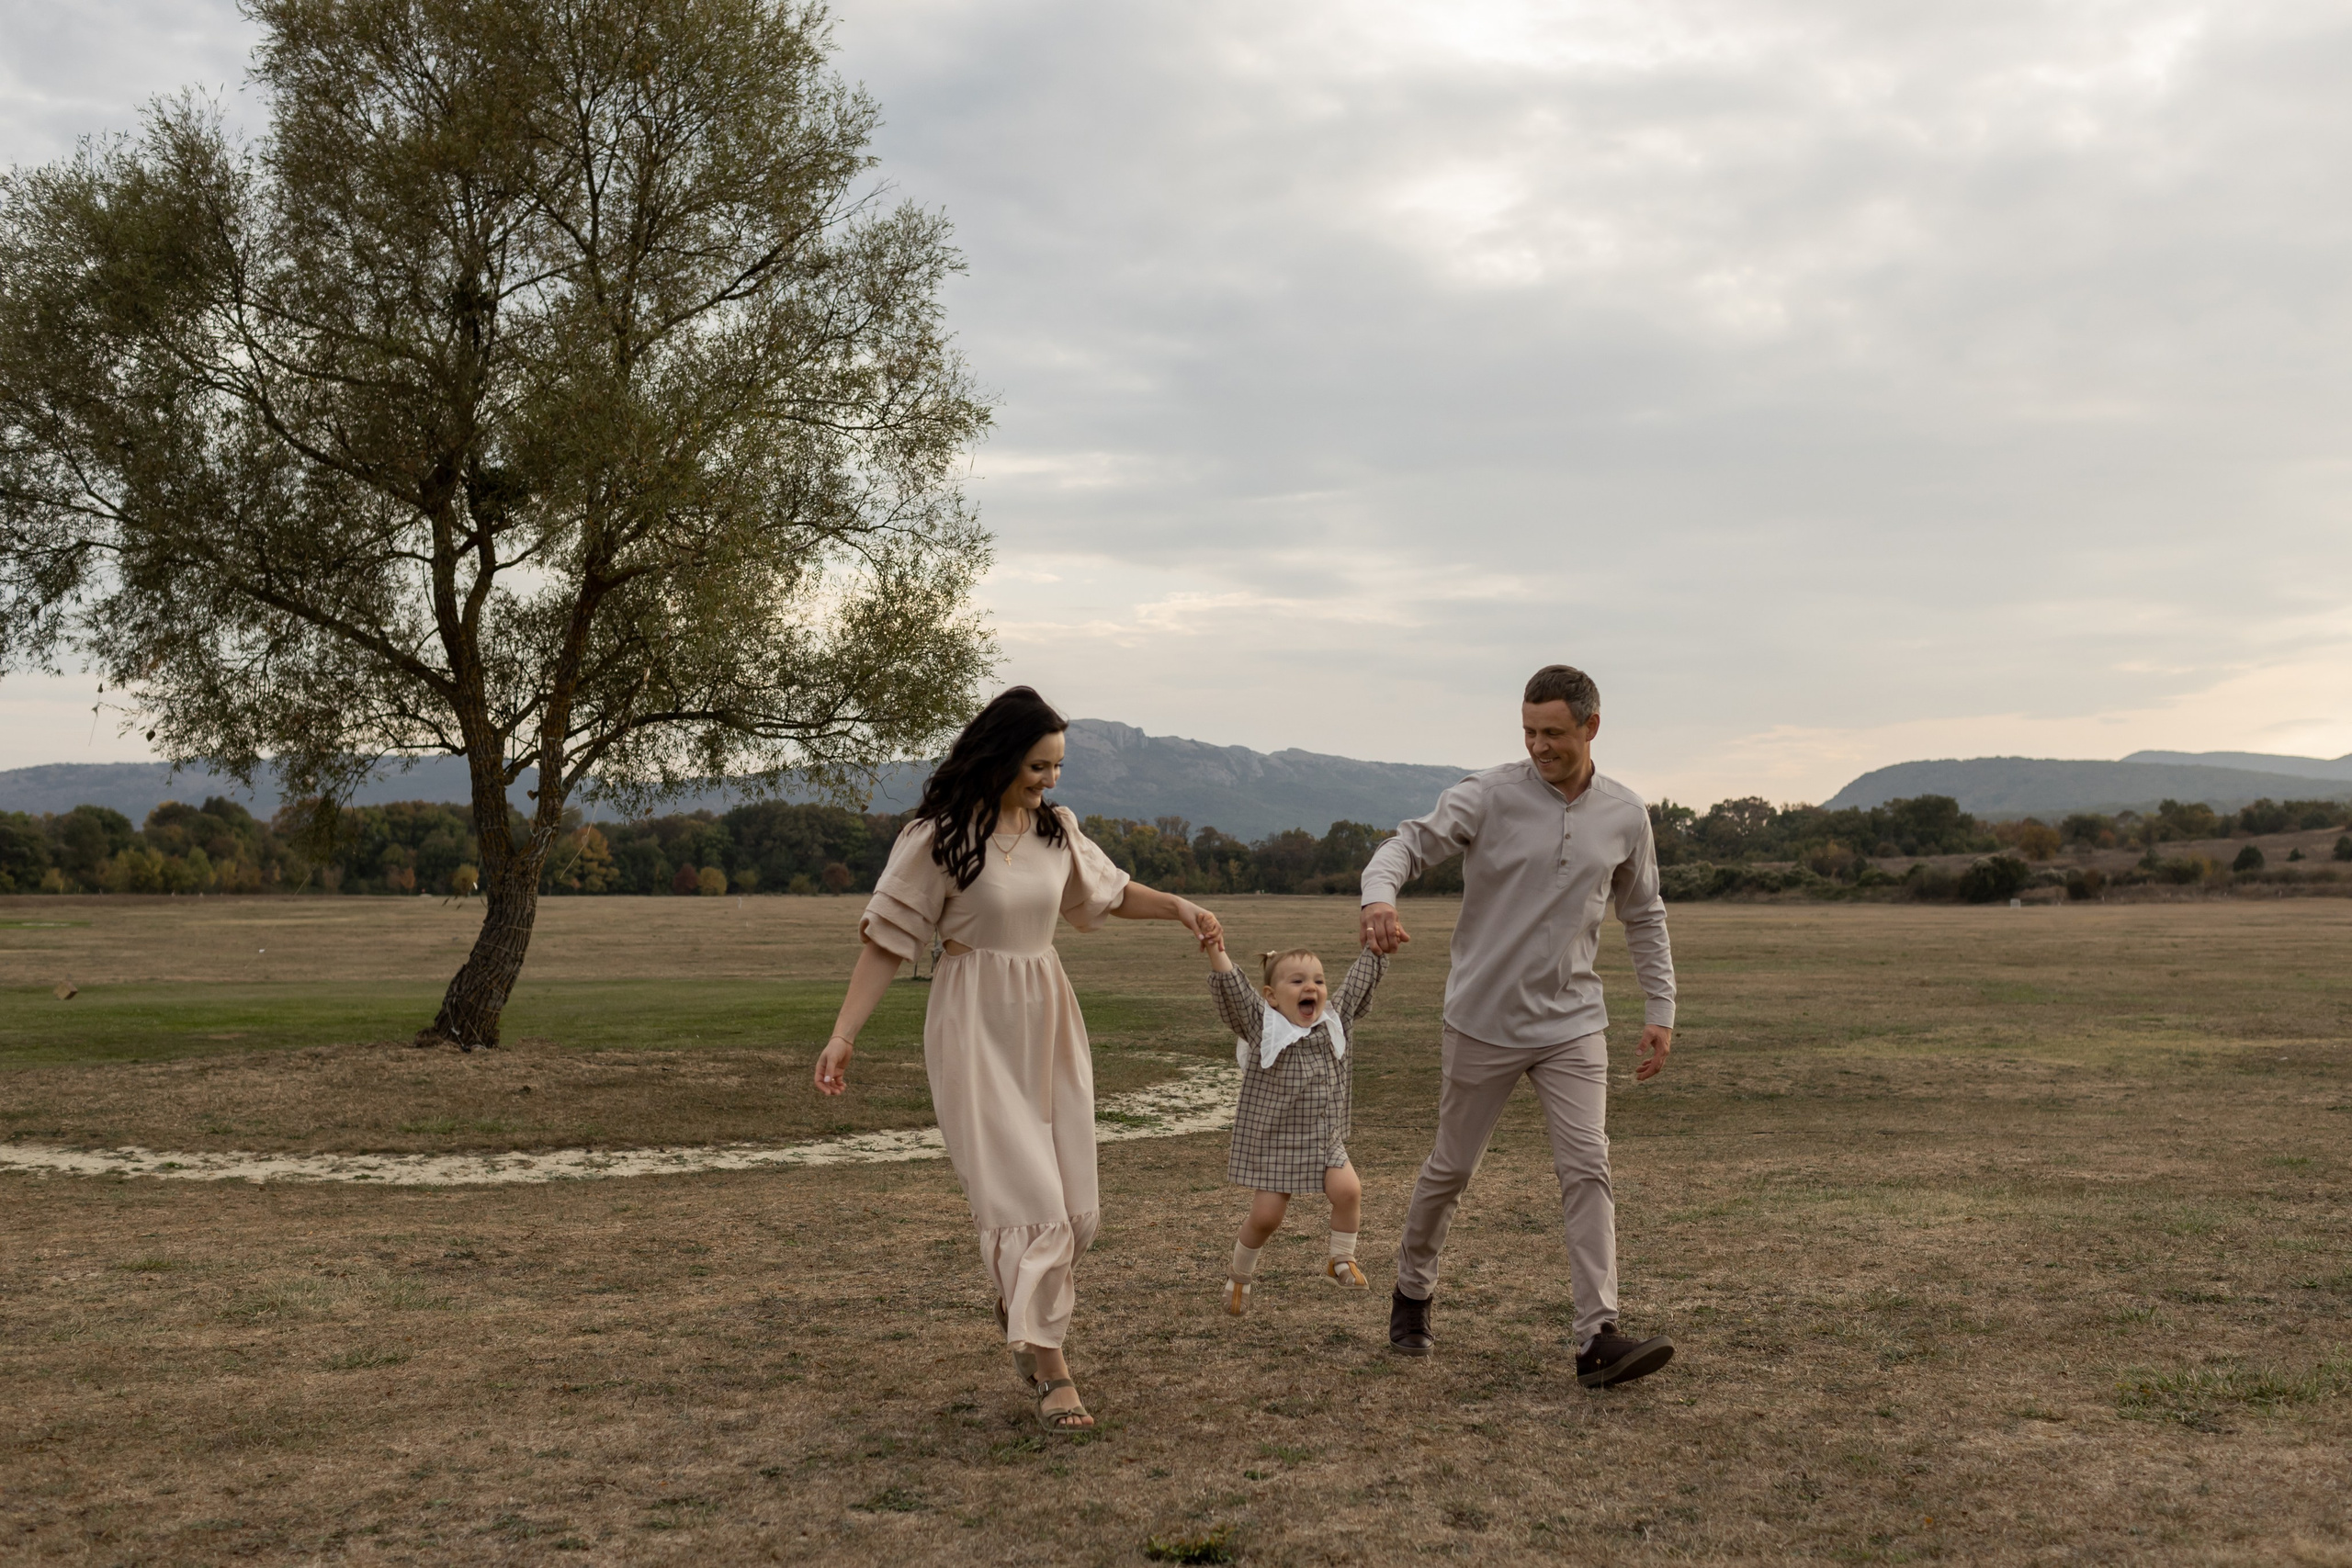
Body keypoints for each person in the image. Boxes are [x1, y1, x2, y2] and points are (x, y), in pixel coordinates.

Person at [816, 687, 1221, 1431]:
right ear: (1002, 756)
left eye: (1057, 766)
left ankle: (1021, 1309)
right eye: (1038, 765)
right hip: (974, 1024)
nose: (1050, 780)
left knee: (1074, 1209)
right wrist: (844, 1035)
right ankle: (1053, 1371)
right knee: (1031, 1204)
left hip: (1048, 1018)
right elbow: (886, 941)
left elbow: (1109, 892)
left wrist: (1179, 907)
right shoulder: (939, 836)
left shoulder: (1055, 831)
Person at [1359, 663, 1679, 1389]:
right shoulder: (1487, 794)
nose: (1538, 746)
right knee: (1452, 1168)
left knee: (1588, 1167)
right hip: (1482, 1019)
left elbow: (1644, 914)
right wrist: (1379, 897)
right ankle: (1412, 1291)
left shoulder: (1626, 813)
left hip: (1573, 1022)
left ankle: (1598, 1335)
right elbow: (1406, 844)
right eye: (1529, 731)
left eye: (1553, 732)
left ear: (1592, 727)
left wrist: (1660, 1008)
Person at [1204, 936, 1389, 1314]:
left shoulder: (1333, 1022)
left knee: (1349, 1190)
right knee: (1266, 1217)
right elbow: (1236, 994)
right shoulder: (1263, 1027)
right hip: (1277, 1143)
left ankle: (1341, 1259)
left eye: (1319, 981)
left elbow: (1355, 986)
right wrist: (1215, 949)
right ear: (1271, 996)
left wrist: (1376, 949)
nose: (1312, 987)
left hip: (1323, 1138)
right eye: (1298, 981)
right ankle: (1239, 1276)